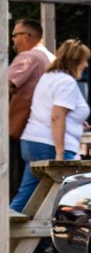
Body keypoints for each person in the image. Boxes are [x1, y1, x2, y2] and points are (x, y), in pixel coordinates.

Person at [11, 39, 91, 253]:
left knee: (27, 197)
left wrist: (78, 121)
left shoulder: (47, 78)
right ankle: (63, 249)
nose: (86, 66)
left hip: (32, 140)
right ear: (76, 61)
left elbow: (54, 113)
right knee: (69, 199)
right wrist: (59, 155)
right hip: (52, 144)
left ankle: (32, 250)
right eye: (85, 61)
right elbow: (57, 116)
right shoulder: (66, 82)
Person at [7, 19, 55, 200]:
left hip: (20, 129)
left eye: (14, 35)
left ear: (26, 36)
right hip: (47, 132)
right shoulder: (51, 58)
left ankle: (8, 224)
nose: (12, 40)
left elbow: (5, 86)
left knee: (14, 185)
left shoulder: (28, 57)